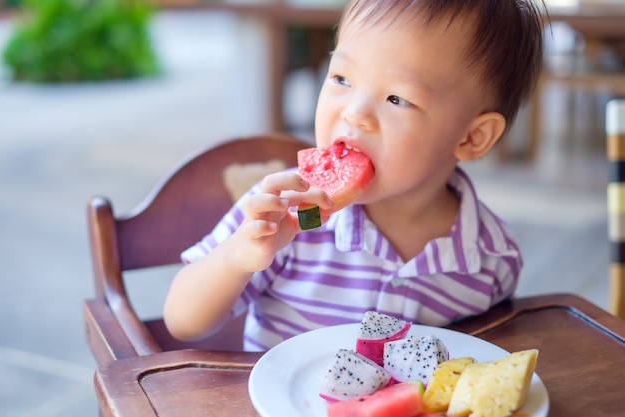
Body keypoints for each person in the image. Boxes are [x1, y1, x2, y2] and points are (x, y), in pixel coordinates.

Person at [164, 0, 546, 351]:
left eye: (397, 98)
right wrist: (238, 257)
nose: (354, 112)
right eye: (342, 79)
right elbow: (182, 321)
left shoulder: (490, 259)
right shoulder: (294, 217)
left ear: (471, 137)